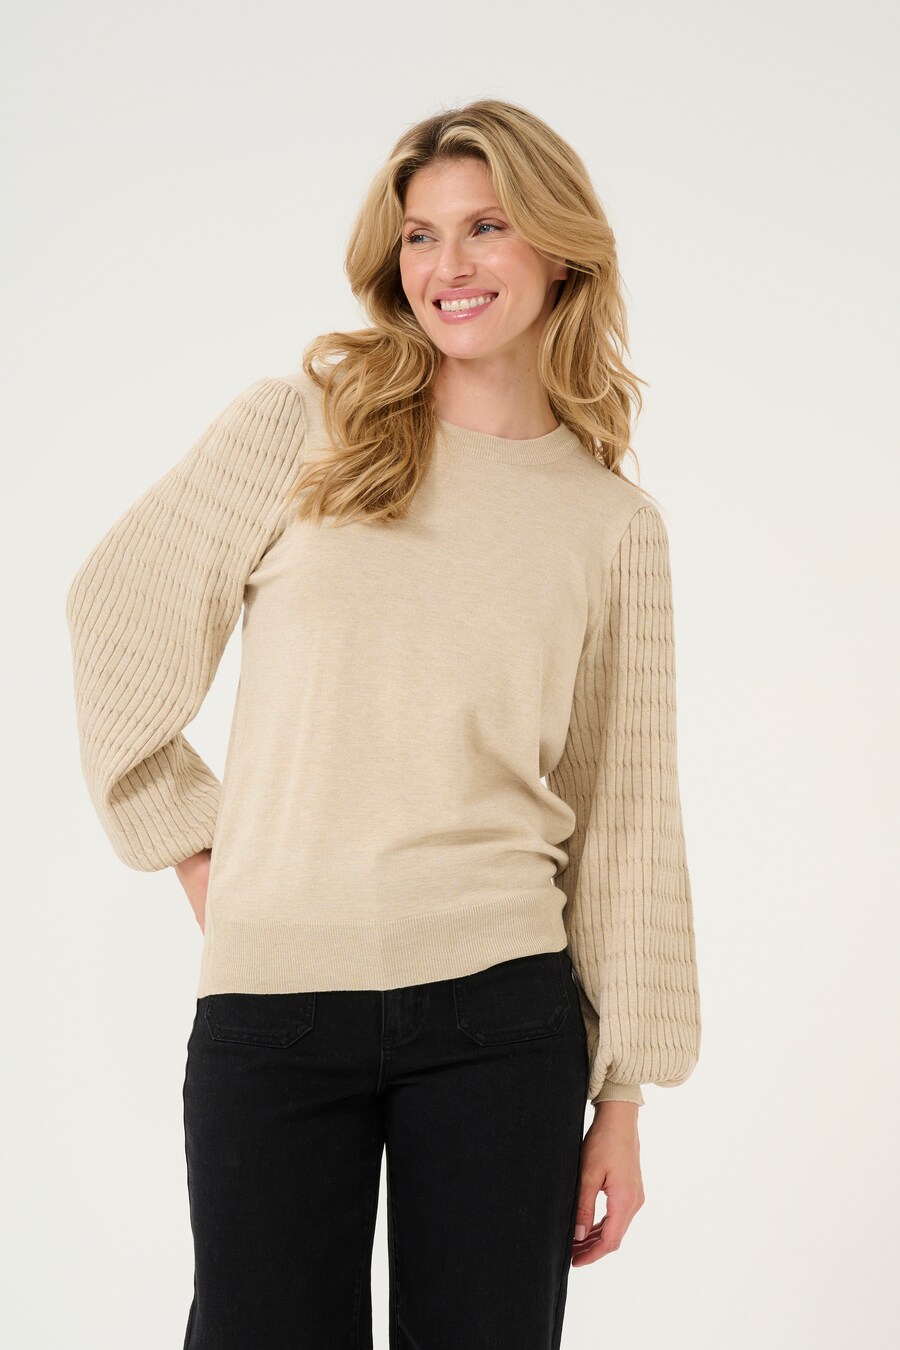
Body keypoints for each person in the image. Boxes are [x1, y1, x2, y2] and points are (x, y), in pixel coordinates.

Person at [65, 98, 701, 1350]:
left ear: (561, 250)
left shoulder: (609, 524)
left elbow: (625, 810)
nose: (448, 264)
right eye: (420, 235)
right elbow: (115, 619)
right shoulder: (301, 426)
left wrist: (622, 1098)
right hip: (274, 1007)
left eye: (487, 227)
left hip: (502, 1017)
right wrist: (197, 851)